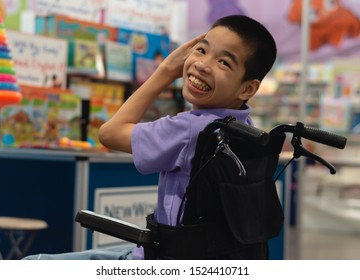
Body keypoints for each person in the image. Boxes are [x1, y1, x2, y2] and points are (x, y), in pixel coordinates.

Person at [24, 14, 277, 260]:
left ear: (248, 88)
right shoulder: (246, 128)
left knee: (31, 266)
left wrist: (165, 71)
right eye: (201, 50)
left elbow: (109, 133)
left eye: (224, 63)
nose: (202, 64)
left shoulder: (189, 130)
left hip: (159, 260)